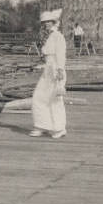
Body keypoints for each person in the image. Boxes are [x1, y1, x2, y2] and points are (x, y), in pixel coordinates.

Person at [30, 9, 67, 139]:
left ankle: (59, 128)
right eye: (44, 22)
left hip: (56, 70)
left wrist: (60, 70)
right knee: (39, 97)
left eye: (48, 21)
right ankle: (42, 125)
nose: (45, 24)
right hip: (48, 70)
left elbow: (61, 54)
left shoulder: (58, 36)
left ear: (53, 22)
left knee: (55, 99)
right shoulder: (49, 37)